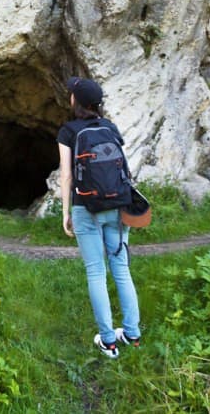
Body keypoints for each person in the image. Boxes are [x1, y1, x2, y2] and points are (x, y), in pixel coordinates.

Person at [58, 76, 141, 358]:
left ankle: (108, 340)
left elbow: (67, 175)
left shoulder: (69, 131)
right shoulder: (111, 128)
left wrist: (65, 212)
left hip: (87, 208)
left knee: (96, 271)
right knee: (121, 269)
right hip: (118, 206)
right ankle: (132, 333)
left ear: (76, 101)